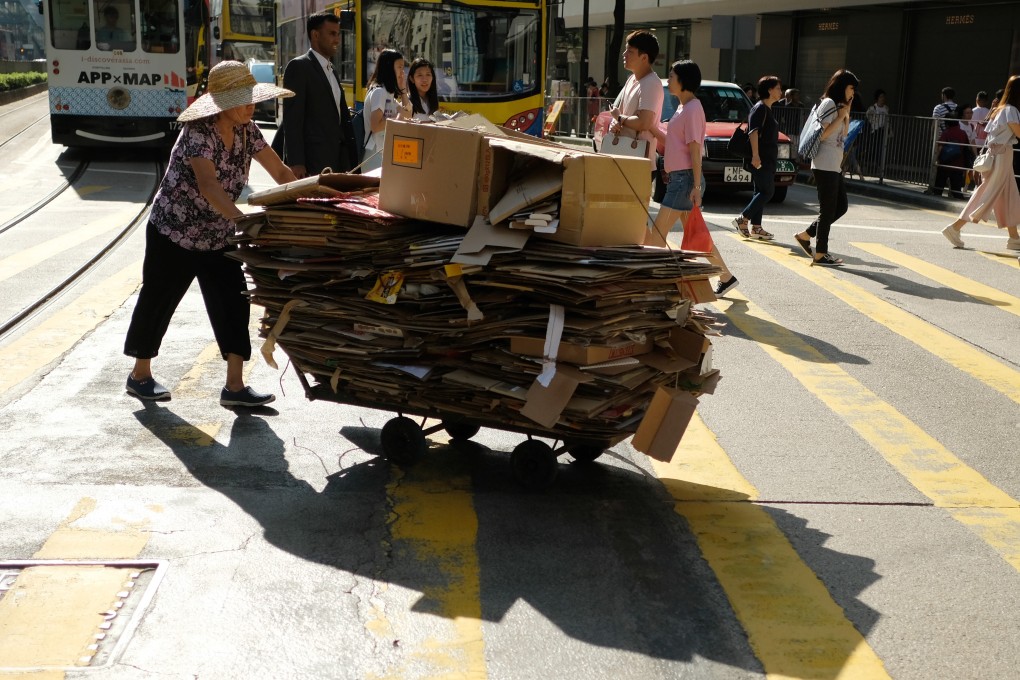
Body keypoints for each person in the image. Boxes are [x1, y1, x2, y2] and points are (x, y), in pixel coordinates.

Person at [123, 61, 297, 406]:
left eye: (252, 99)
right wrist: (244, 221)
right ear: (223, 103)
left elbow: (279, 170)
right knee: (159, 299)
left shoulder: (249, 131)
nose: (251, 106)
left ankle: (234, 387)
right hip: (174, 231)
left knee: (234, 301)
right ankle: (140, 375)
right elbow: (209, 186)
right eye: (243, 100)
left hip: (217, 234)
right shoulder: (198, 132)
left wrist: (311, 195)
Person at [647, 60, 738, 296]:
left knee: (657, 234)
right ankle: (726, 277)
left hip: (685, 180)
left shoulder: (693, 109)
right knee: (697, 235)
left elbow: (695, 150)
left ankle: (646, 283)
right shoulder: (681, 108)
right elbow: (672, 143)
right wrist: (652, 128)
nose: (669, 80)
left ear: (684, 81)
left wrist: (696, 186)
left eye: (672, 76)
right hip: (680, 179)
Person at [941, 75, 1020, 251]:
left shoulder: (999, 109)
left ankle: (1014, 237)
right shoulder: (1011, 110)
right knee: (986, 194)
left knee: (1009, 196)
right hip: (1002, 156)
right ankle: (955, 227)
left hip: (997, 155)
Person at [794, 69, 860, 266]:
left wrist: (846, 114)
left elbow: (844, 136)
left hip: (834, 164)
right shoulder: (828, 103)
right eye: (851, 88)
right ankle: (821, 253)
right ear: (841, 87)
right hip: (824, 163)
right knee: (828, 209)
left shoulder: (840, 107)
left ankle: (806, 235)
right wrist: (841, 116)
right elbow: (821, 135)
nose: (853, 92)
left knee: (841, 206)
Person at [281, 12, 357, 177]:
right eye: (332, 34)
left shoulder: (332, 70)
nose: (337, 40)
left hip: (338, 163)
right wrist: (296, 162)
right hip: (312, 165)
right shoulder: (299, 67)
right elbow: (292, 120)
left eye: (338, 34)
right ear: (315, 35)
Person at [732, 75, 782, 242]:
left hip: (766, 157)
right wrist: (755, 155)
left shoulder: (766, 108)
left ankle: (756, 227)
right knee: (767, 191)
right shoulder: (759, 108)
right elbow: (753, 131)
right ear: (769, 90)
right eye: (778, 88)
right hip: (761, 158)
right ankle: (742, 219)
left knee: (759, 191)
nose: (780, 91)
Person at [607, 30, 664, 170]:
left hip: (638, 161)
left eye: (630, 51)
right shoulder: (632, 79)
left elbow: (644, 123)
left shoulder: (651, 83)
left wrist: (620, 119)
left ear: (644, 57)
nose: (624, 54)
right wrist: (616, 122)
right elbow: (619, 112)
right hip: (623, 156)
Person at [362, 48, 412, 173]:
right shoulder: (379, 92)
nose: (402, 72)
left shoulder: (387, 93)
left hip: (383, 153)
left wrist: (403, 89)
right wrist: (397, 119)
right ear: (389, 68)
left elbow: (408, 113)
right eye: (399, 67)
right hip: (374, 155)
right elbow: (376, 125)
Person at [931, 110, 972, 199]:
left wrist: (935, 160)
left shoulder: (946, 132)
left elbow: (940, 147)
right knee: (956, 190)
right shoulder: (963, 133)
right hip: (958, 165)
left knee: (938, 188)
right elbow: (967, 148)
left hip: (944, 164)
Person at [865, 89, 889, 174]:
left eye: (883, 97)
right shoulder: (872, 108)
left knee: (881, 150)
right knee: (873, 149)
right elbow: (867, 117)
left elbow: (888, 121)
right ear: (877, 98)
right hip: (874, 131)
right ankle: (870, 166)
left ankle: (879, 167)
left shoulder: (886, 108)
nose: (883, 99)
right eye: (881, 97)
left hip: (882, 131)